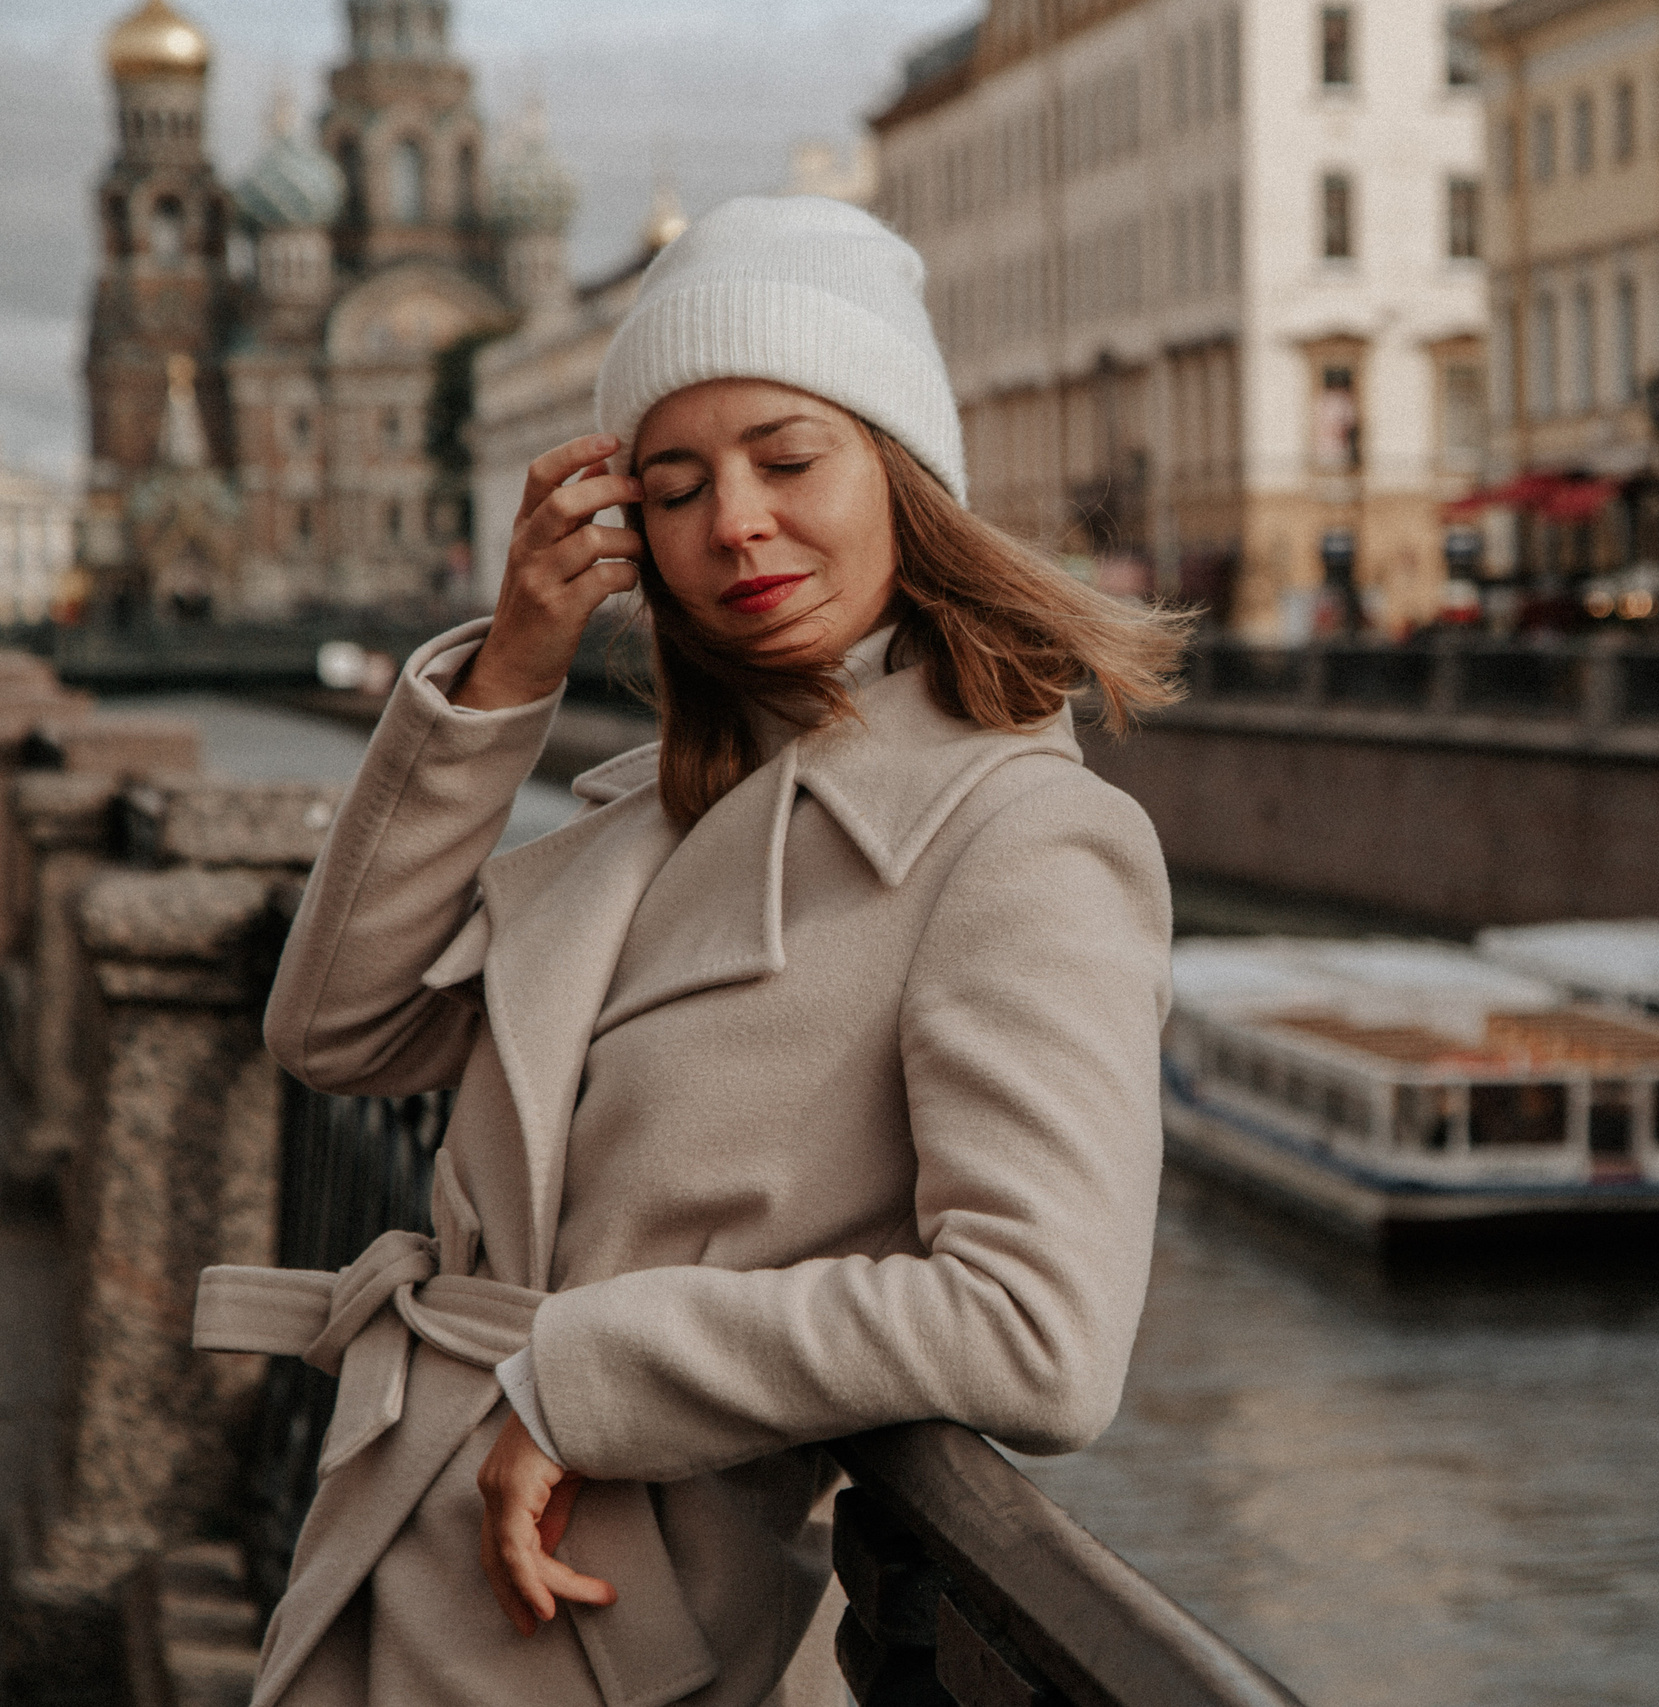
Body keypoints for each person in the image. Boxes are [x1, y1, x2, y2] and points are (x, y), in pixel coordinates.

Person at [193, 196, 1187, 1706]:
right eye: (674, 485)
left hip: (603, 1628)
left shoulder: (1022, 841)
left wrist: (588, 1379)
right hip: (410, 1555)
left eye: (790, 459)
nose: (734, 521)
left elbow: (1036, 1333)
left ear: (906, 478)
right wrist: (506, 673)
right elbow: (334, 1030)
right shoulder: (651, 814)